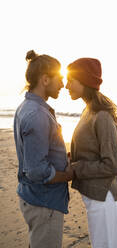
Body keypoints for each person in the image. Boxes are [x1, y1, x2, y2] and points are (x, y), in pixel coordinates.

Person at [66, 58, 117, 248]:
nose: (66, 85)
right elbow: (91, 150)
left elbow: (112, 164)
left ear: (84, 82)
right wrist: (70, 158)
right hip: (99, 198)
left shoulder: (101, 115)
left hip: (104, 198)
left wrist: (75, 169)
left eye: (71, 80)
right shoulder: (89, 110)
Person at [14, 50, 74, 248]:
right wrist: (67, 174)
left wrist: (62, 158)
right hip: (43, 204)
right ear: (45, 79)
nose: (63, 85)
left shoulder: (27, 107)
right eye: (60, 79)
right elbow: (36, 170)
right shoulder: (36, 114)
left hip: (36, 198)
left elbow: (38, 153)